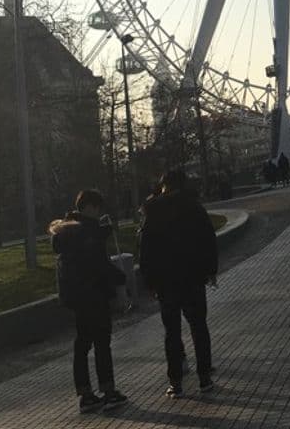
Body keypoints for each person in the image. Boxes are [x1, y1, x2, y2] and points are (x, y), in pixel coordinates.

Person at [138, 169, 218, 398]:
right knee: (199, 327)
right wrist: (210, 270)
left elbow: (146, 248)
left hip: (166, 282)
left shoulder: (153, 210)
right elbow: (208, 238)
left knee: (171, 332)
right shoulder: (194, 207)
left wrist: (150, 281)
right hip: (192, 277)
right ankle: (204, 378)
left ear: (164, 186)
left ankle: (175, 381)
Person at [49, 190, 129, 415]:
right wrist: (121, 279)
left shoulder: (68, 230)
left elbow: (83, 250)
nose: (99, 212)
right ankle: (109, 391)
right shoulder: (87, 232)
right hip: (94, 294)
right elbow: (97, 263)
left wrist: (100, 233)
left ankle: (85, 394)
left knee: (82, 344)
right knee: (102, 343)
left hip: (76, 297)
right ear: (91, 207)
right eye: (98, 208)